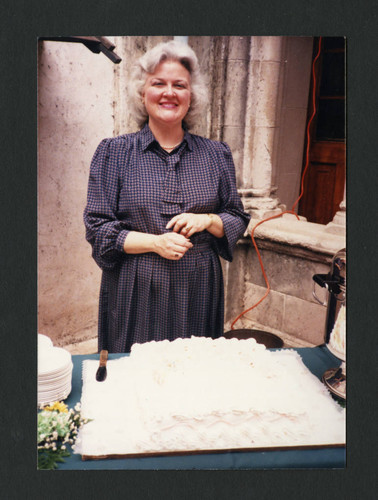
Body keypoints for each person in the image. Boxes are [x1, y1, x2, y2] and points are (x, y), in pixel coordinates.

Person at [84, 40, 250, 353]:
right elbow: (98, 228)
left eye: (180, 85)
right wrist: (155, 242)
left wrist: (208, 220)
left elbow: (236, 216)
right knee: (135, 378)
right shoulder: (114, 152)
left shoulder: (216, 154)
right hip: (135, 284)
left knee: (192, 375)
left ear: (192, 95)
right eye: (158, 83)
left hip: (198, 287)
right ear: (141, 92)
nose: (169, 92)